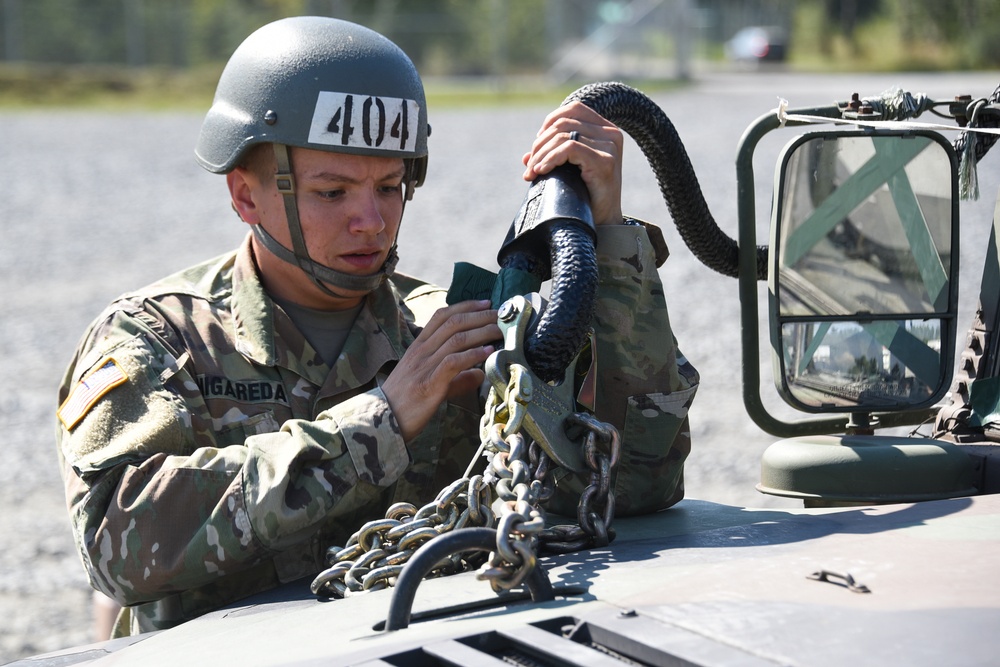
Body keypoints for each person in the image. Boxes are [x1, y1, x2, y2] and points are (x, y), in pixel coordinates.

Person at [56, 16, 699, 638]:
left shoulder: (445, 330)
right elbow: (119, 544)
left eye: (389, 186)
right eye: (333, 192)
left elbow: (638, 481)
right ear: (245, 195)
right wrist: (381, 420)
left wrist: (609, 242)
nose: (371, 219)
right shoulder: (156, 339)